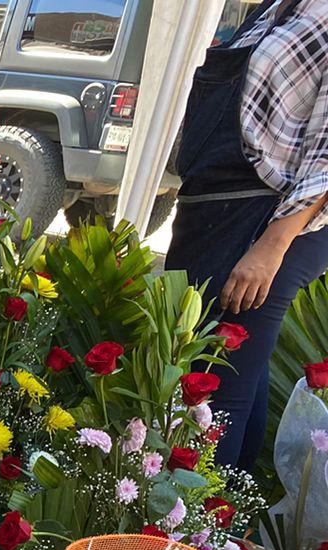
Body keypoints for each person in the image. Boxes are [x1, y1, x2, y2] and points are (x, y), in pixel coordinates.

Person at [164, 0, 328, 469]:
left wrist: (272, 246)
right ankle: (228, 524)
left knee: (219, 387)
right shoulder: (278, 7)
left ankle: (198, 532)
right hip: (218, 209)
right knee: (239, 379)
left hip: (277, 219)